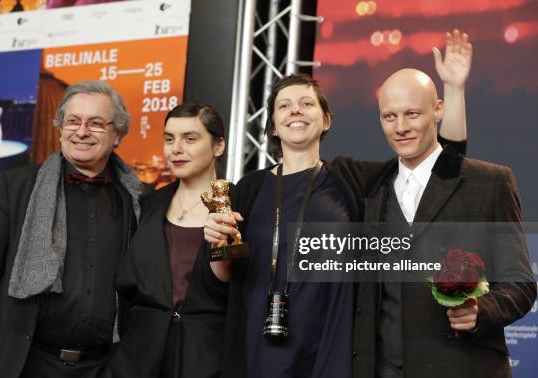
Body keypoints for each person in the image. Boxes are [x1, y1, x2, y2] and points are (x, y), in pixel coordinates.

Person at [204, 30, 472, 378]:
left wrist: (453, 88)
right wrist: (217, 245)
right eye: (284, 106)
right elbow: (221, 279)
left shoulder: (353, 179)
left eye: (307, 103)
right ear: (271, 125)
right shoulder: (247, 189)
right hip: (258, 345)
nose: (295, 111)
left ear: (326, 120)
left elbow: (444, 165)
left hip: (333, 344)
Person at [0, 80, 143, 378]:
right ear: (60, 128)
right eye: (72, 121)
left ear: (117, 135)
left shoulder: (137, 198)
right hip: (23, 362)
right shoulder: (16, 186)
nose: (81, 131)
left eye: (96, 123)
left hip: (104, 367)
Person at [353, 67, 536, 378]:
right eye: (389, 117)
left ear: (438, 110)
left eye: (412, 114)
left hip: (464, 366)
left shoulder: (490, 182)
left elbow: (520, 282)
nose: (400, 127)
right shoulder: (370, 192)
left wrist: (482, 310)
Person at [104, 103, 229, 378]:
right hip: (137, 358)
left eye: (190, 138)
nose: (176, 149)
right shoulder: (147, 205)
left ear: (218, 146)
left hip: (206, 359)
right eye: (169, 139)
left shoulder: (237, 207)